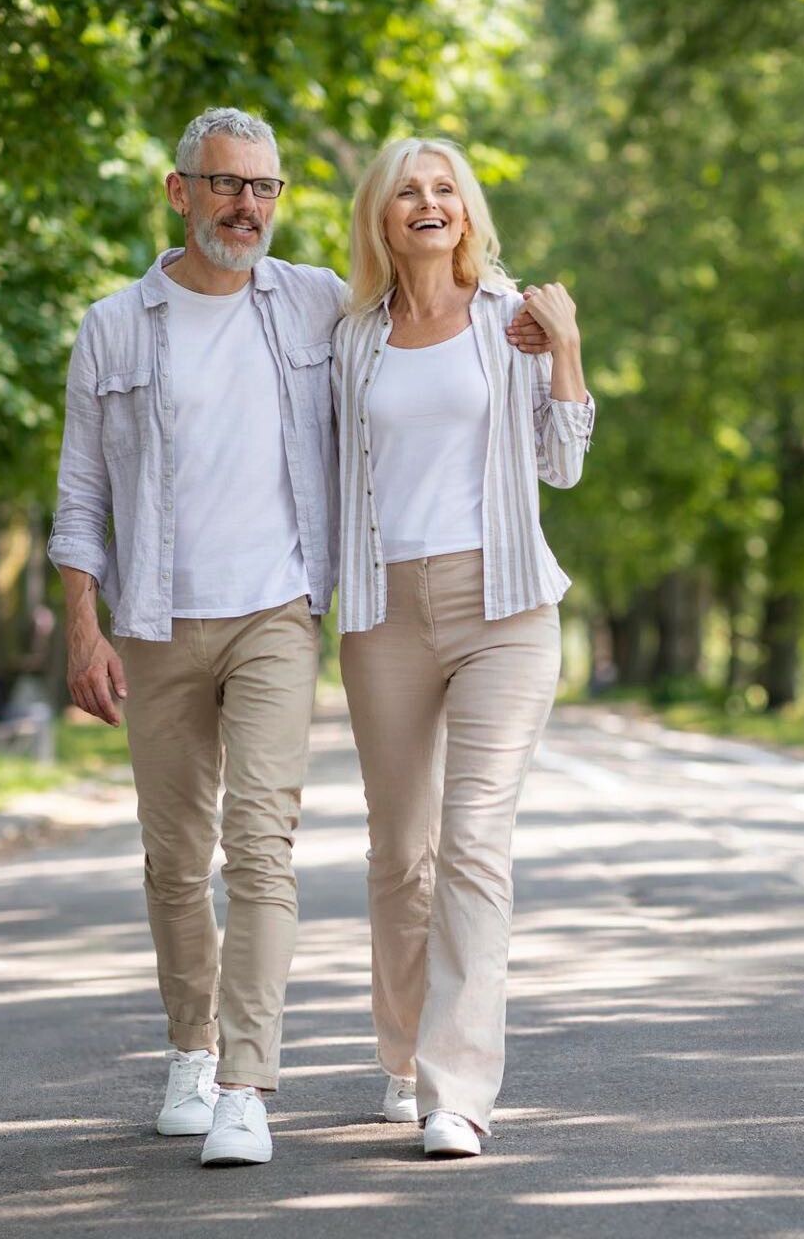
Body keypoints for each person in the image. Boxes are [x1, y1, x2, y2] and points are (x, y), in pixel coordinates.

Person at [47, 107, 342, 1167]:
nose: (246, 206)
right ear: (180, 193)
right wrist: (85, 631)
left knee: (260, 845)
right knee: (175, 857)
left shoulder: (315, 304)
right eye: (225, 185)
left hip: (276, 612)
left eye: (263, 187)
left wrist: (522, 312)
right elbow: (81, 496)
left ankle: (248, 1085)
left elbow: (424, 311)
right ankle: (190, 1052)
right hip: (157, 621)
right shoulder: (114, 326)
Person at [332, 136, 593, 1159]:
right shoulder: (351, 337)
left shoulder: (512, 319)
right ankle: (403, 1058)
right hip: (386, 609)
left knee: (475, 843)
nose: (429, 203)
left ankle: (459, 1091)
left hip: (507, 606)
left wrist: (567, 347)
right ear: (382, 220)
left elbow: (563, 467)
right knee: (403, 855)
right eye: (409, 193)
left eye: (445, 190)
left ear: (467, 212)